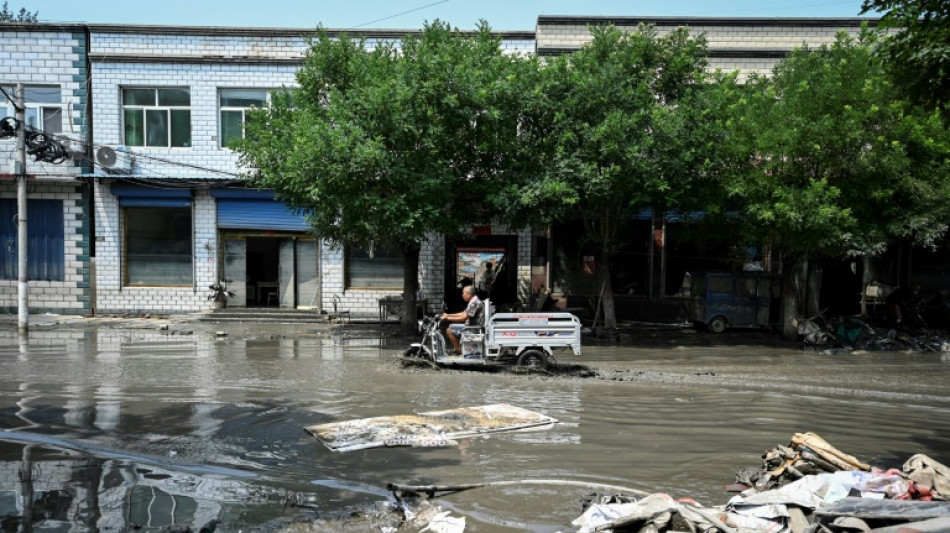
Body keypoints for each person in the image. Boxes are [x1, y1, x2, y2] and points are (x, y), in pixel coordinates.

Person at [441, 285, 481, 354]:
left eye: (464, 293)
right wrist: (448, 315)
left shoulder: (474, 302)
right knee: (451, 326)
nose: (462, 295)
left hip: (473, 329)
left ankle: (459, 351)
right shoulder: (473, 300)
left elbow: (463, 318)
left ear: (469, 295)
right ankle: (460, 347)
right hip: (471, 326)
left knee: (449, 330)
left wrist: (447, 318)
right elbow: (463, 313)